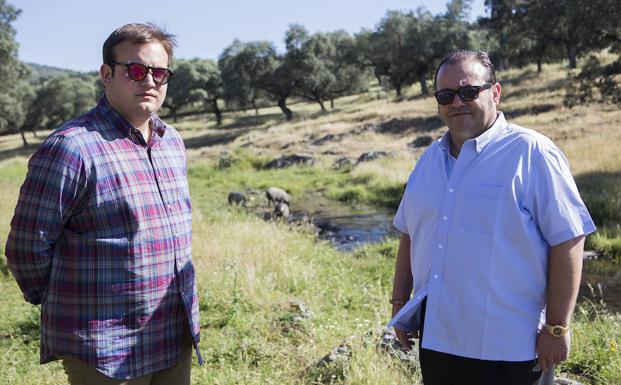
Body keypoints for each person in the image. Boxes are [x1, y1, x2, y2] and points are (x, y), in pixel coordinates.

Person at [5, 23, 202, 384]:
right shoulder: (71, 147)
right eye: (137, 70)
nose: (150, 81)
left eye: (160, 73)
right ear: (107, 74)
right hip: (106, 347)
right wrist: (71, 305)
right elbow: (26, 247)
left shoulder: (171, 141)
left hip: (172, 330)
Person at [388, 50, 596, 385]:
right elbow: (410, 234)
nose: (457, 102)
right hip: (437, 342)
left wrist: (557, 328)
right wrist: (400, 306)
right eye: (446, 95)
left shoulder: (532, 153)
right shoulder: (428, 161)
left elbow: (569, 239)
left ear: (495, 92)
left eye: (469, 91)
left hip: (511, 348)